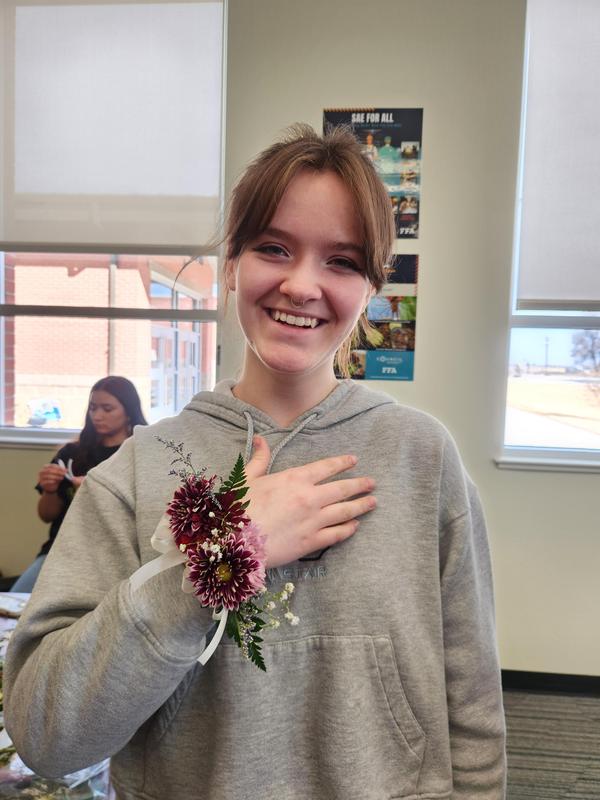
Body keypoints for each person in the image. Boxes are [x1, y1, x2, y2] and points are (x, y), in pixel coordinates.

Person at [4, 126, 506, 798]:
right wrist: (220, 555)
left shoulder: (424, 458)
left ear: (371, 287)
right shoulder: (137, 469)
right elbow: (47, 737)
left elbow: (472, 705)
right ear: (233, 262)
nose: (302, 285)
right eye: (274, 248)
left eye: (343, 261)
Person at [11, 376, 147, 592]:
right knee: (16, 599)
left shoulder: (140, 454)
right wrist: (50, 490)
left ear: (128, 411)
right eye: (93, 408)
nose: (97, 415)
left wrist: (98, 491)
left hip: (115, 556)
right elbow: (47, 515)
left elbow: (144, 516)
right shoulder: (71, 454)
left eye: (107, 408)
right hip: (62, 550)